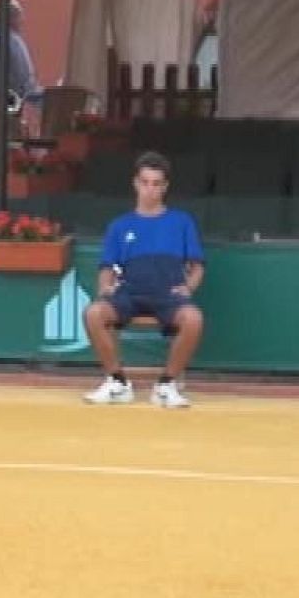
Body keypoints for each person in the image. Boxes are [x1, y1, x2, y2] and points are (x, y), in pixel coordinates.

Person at [82, 151, 206, 409]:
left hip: (168, 295)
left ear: (165, 187)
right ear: (136, 184)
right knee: (93, 313)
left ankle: (166, 385)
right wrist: (105, 288)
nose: (150, 189)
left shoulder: (181, 221)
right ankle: (117, 383)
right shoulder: (119, 225)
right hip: (129, 293)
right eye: (145, 182)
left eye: (156, 184)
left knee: (193, 319)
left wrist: (188, 287)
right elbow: (107, 266)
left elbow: (197, 266)